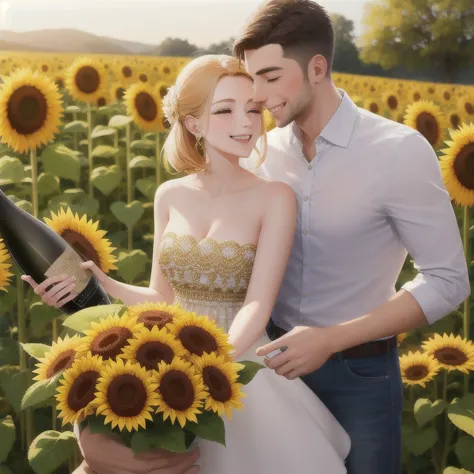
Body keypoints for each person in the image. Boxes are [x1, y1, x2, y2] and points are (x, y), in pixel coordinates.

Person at [22, 54, 351, 473]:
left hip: (235, 362)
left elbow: (257, 304)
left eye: (253, 109)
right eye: (225, 110)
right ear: (193, 124)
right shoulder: (170, 195)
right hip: (167, 359)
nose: (246, 122)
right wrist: (99, 279)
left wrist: (214, 365)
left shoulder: (275, 198)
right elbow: (160, 295)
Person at [232, 1, 471, 473]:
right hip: (268, 369)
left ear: (317, 68)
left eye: (271, 76)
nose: (257, 95)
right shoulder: (260, 150)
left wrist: (332, 339)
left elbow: (448, 279)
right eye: (252, 78)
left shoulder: (398, 151)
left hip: (359, 376)